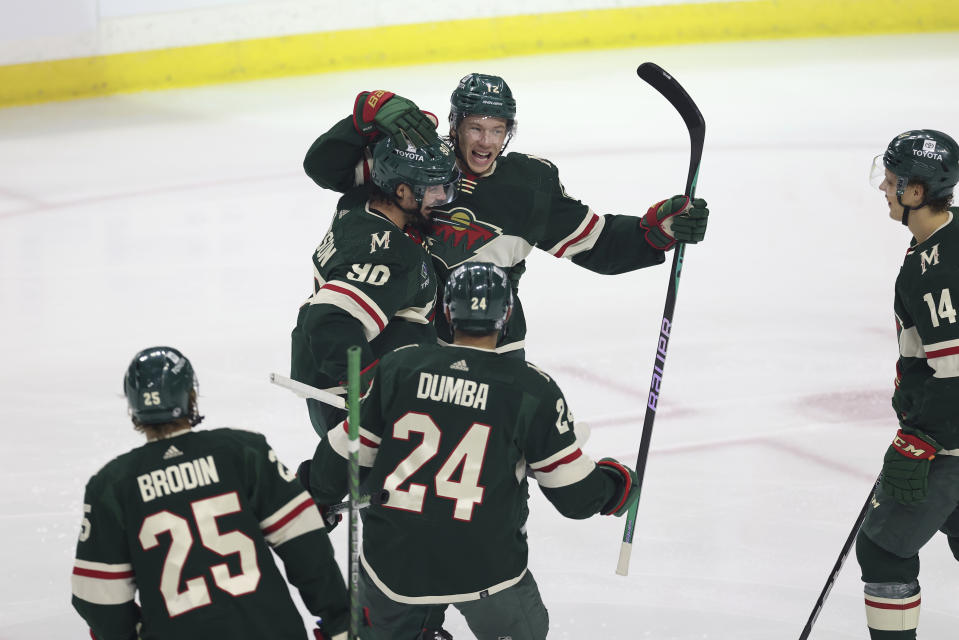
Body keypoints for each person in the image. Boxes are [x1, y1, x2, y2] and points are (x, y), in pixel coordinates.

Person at [306, 263, 641, 640]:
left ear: (447, 313)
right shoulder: (532, 390)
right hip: (486, 569)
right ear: (507, 315)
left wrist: (319, 495)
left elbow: (343, 453)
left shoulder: (399, 367)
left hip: (393, 566)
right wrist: (616, 487)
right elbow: (575, 498)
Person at [302, 74, 709, 356]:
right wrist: (361, 121)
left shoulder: (528, 186)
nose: (486, 141)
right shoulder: (417, 161)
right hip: (404, 334)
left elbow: (598, 245)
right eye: (476, 128)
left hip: (489, 338)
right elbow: (326, 170)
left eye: (497, 130)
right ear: (456, 125)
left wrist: (656, 232)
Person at [71, 346, 349, 640]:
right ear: (190, 395)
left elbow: (100, 599)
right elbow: (306, 546)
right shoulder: (243, 452)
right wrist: (341, 622)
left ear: (133, 405)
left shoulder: (112, 485)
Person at [857, 129, 959, 640]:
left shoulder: (937, 271)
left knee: (884, 549)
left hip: (949, 443)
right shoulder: (945, 238)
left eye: (892, 181)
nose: (884, 188)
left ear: (916, 192)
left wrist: (919, 441)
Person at [291, 134, 459, 436]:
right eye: (433, 188)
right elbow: (329, 319)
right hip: (359, 409)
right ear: (403, 190)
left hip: (331, 387)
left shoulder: (359, 202)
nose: (441, 198)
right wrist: (368, 387)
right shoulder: (390, 254)